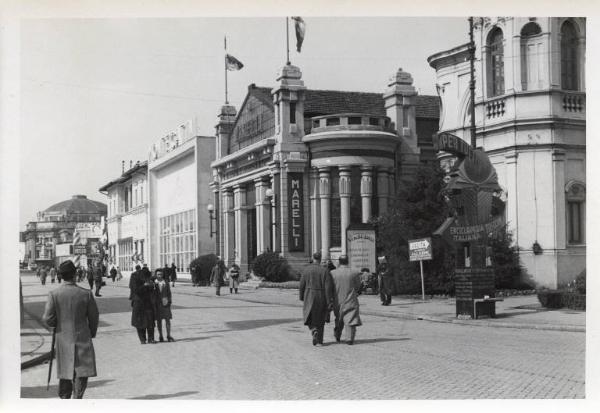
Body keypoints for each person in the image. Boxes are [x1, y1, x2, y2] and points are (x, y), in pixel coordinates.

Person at [42, 260, 99, 399]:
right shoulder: (86, 294)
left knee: (65, 370)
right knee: (82, 371)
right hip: (82, 337)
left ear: (61, 276)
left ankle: (65, 399)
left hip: (63, 338)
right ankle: (77, 399)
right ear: (74, 275)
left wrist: (57, 324)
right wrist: (91, 332)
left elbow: (47, 318)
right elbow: (94, 316)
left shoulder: (54, 294)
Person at [299, 252, 334, 346]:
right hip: (321, 295)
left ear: (312, 258)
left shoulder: (306, 270)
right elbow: (328, 287)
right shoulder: (325, 271)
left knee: (308, 315)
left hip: (309, 294)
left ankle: (313, 329)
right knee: (321, 318)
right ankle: (319, 341)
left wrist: (301, 296)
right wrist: (329, 301)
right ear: (320, 258)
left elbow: (302, 285)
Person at [330, 255, 362, 345]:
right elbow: (358, 286)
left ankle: (337, 334)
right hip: (351, 299)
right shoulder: (354, 272)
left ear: (339, 262)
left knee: (339, 319)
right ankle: (349, 338)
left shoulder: (332, 273)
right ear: (348, 261)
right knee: (351, 319)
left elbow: (330, 287)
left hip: (337, 299)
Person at [129, 265, 157, 344]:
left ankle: (151, 338)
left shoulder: (148, 276)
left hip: (148, 301)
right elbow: (134, 289)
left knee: (150, 320)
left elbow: (152, 289)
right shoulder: (134, 276)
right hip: (138, 301)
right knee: (139, 321)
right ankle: (142, 339)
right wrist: (144, 286)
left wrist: (152, 286)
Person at [154, 269, 175, 342]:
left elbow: (169, 293)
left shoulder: (166, 282)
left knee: (168, 320)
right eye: (158, 274)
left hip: (165, 304)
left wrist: (169, 301)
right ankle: (161, 336)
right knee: (159, 321)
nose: (159, 276)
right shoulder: (154, 283)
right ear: (156, 275)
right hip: (157, 304)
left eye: (161, 274)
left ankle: (168, 335)